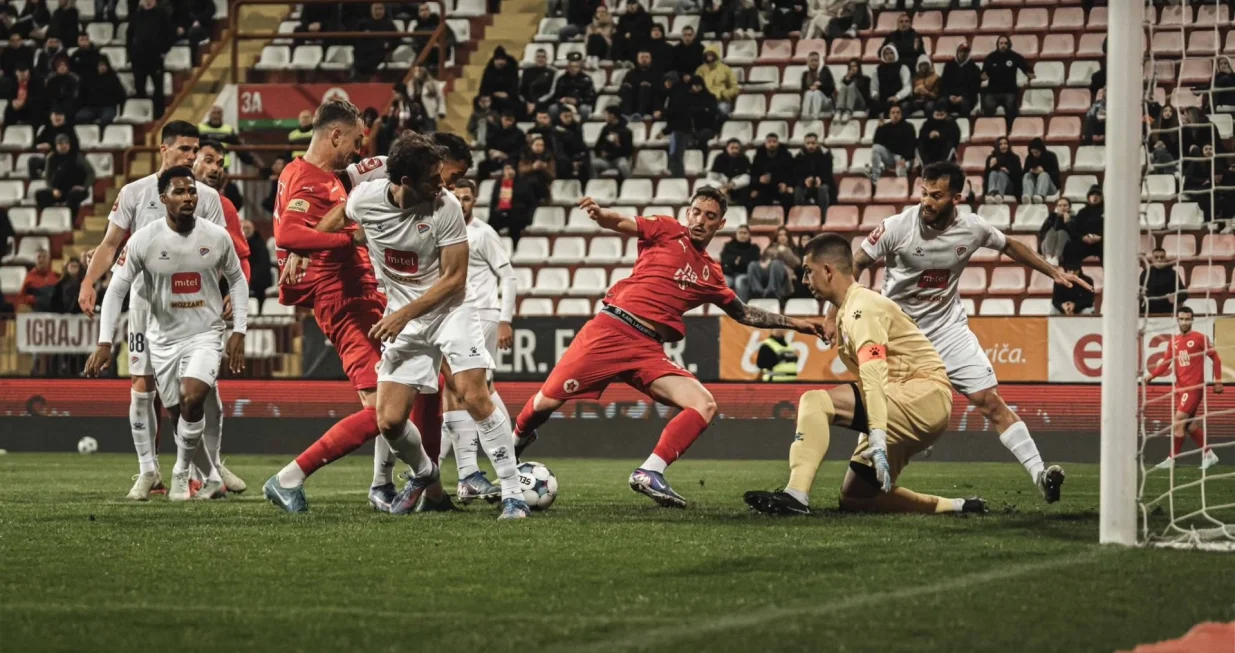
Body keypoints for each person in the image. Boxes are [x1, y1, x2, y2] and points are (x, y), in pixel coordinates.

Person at [513, 189, 824, 507]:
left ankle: (650, 471)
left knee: (704, 404)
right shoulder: (667, 229)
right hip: (610, 331)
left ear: (720, 224)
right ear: (688, 213)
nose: (700, 220)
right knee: (545, 403)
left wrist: (795, 324)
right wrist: (601, 214)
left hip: (648, 349)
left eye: (710, 216)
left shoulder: (711, 273)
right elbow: (622, 222)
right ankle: (510, 451)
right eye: (696, 212)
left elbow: (743, 313)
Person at [839, 161, 1078, 503]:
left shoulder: (972, 228)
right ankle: (870, 475)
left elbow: (1010, 245)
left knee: (990, 402)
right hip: (901, 338)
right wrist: (837, 312)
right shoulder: (896, 227)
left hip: (947, 331)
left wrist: (1052, 271)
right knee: (883, 410)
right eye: (924, 193)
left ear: (956, 198)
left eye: (936, 196)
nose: (927, 202)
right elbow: (857, 262)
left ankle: (1040, 474)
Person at [347, 133, 529, 519]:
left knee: (473, 394)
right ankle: (426, 473)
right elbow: (341, 217)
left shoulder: (445, 206)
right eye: (433, 178)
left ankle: (513, 495)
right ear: (406, 182)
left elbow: (455, 280)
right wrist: (298, 251)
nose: (442, 184)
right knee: (389, 420)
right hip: (406, 319)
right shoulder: (363, 200)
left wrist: (403, 314)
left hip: (451, 312)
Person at [744, 234, 988, 516]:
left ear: (827, 271)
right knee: (857, 498)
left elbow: (874, 373)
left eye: (808, 271)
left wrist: (878, 436)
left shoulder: (861, 308)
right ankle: (958, 506)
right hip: (912, 400)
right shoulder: (851, 309)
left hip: (920, 396)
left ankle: (795, 495)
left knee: (815, 401)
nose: (804, 280)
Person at [77, 121, 234, 501]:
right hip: (145, 304)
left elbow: (219, 252)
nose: (192, 156)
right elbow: (110, 243)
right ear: (164, 149)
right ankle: (149, 470)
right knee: (141, 385)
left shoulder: (207, 197)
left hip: (192, 308)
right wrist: (89, 281)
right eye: (185, 149)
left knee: (197, 391)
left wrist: (224, 291)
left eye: (195, 150)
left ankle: (207, 467)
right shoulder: (135, 192)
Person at [260, 100, 386, 514]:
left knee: (414, 390)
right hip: (345, 299)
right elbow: (289, 234)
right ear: (335, 135)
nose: (358, 150)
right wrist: (349, 239)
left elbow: (305, 229)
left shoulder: (312, 174)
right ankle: (289, 477)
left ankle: (395, 483)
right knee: (384, 408)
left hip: (356, 294)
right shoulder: (309, 180)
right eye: (355, 141)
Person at [377, 179, 519, 505]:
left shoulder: (482, 233)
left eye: (467, 198)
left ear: (475, 201)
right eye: (458, 197)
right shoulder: (431, 224)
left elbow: (508, 276)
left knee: (475, 390)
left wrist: (505, 318)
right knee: (450, 391)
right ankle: (458, 471)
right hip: (435, 314)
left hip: (477, 314)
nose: (462, 203)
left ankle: (496, 462)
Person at [1144, 306, 1223, 471]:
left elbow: (1216, 358)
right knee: (1189, 425)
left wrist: (1218, 380)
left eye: (1187, 319)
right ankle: (1209, 454)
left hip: (1194, 388)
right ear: (1177, 320)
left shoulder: (1200, 338)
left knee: (1178, 420)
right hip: (1180, 389)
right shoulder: (1174, 341)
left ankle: (1172, 459)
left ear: (1192, 320)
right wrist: (1151, 376)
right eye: (1182, 319)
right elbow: (1165, 363)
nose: (1184, 322)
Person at [193, 140, 253, 283]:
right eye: (208, 161)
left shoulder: (225, 206)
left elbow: (241, 258)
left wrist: (237, 292)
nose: (215, 168)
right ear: (191, 162)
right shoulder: (165, 200)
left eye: (220, 164)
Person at [127, 0, 172, 118]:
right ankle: (141, 114)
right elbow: (129, 35)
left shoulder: (162, 14)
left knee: (158, 87)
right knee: (139, 86)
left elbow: (169, 34)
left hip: (155, 57)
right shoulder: (137, 14)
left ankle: (159, 115)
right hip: (138, 58)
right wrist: (131, 54)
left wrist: (163, 51)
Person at [981, 35, 1034, 131]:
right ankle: (990, 130)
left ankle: (1010, 130)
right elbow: (984, 73)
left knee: (1011, 107)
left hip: (1009, 92)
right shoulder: (990, 57)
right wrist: (983, 76)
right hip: (993, 92)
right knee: (988, 106)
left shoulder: (1014, 56)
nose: (1003, 45)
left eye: (1005, 43)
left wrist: (1029, 73)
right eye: (1001, 43)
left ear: (1009, 45)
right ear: (997, 45)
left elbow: (1025, 67)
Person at [35, 133, 94, 218]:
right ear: (56, 146)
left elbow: (91, 173)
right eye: (61, 144)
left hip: (76, 190)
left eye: (66, 143)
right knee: (40, 195)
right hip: (59, 192)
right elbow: (47, 178)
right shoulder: (51, 158)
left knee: (73, 196)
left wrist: (84, 186)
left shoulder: (77, 156)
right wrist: (53, 190)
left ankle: (70, 221)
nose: (64, 146)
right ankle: (50, 218)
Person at [869, 104, 915, 182]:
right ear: (889, 115)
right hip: (890, 156)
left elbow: (912, 145)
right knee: (876, 148)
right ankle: (875, 177)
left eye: (898, 112)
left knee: (900, 168)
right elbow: (876, 143)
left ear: (901, 114)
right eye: (893, 113)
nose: (895, 115)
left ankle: (903, 184)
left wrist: (905, 158)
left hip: (903, 158)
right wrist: (879, 128)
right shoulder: (886, 127)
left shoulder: (908, 127)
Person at [750, 132, 794, 207]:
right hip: (764, 187)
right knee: (756, 197)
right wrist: (758, 180)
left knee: (789, 196)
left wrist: (787, 184)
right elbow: (753, 174)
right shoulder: (758, 156)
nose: (772, 144)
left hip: (781, 186)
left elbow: (791, 173)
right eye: (769, 142)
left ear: (778, 143)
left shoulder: (786, 155)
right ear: (765, 143)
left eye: (774, 142)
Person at [549, 52, 596, 122]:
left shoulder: (586, 79)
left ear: (580, 67)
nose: (573, 69)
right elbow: (556, 95)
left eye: (576, 67)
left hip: (579, 105)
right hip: (564, 104)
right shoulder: (562, 79)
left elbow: (591, 97)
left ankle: (580, 126)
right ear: (567, 67)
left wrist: (577, 101)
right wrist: (561, 100)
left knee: (584, 109)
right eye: (571, 66)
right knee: (553, 108)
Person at [1140, 247, 1187, 316]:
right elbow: (1139, 291)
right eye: (1156, 257)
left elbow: (1184, 294)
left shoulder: (1173, 274)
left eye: (1162, 257)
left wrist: (1175, 298)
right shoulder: (1145, 273)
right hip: (1148, 312)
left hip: (1167, 312)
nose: (1159, 259)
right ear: (1152, 259)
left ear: (1165, 259)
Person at [353, 1, 397, 76]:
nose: (378, 11)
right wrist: (363, 36)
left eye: (381, 9)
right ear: (371, 10)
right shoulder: (363, 23)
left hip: (381, 52)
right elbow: (355, 39)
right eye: (376, 9)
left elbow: (396, 40)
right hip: (364, 53)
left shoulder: (389, 24)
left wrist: (389, 44)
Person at [694, 45, 739, 118]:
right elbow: (695, 85)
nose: (709, 56)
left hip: (720, 100)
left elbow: (735, 87)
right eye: (707, 54)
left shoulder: (726, 69)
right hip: (704, 101)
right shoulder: (700, 70)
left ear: (716, 55)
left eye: (711, 54)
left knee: (722, 111)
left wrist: (724, 94)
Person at [939, 41, 981, 117]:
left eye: (966, 52)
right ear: (957, 52)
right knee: (942, 102)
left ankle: (965, 123)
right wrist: (949, 96)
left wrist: (962, 97)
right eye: (961, 51)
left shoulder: (974, 68)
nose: (963, 54)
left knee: (965, 105)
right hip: (950, 97)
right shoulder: (949, 66)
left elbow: (974, 88)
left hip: (966, 98)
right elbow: (943, 85)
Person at [793, 133, 834, 209]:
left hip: (822, 184)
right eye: (808, 143)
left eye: (813, 143)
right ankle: (799, 214)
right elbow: (797, 175)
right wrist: (804, 181)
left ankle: (823, 215)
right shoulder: (799, 156)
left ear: (817, 144)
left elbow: (828, 173)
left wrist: (821, 179)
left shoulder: (826, 155)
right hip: (805, 185)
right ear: (804, 144)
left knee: (823, 189)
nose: (810, 146)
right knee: (798, 190)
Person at [707, 138, 751, 208]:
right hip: (721, 187)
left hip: (737, 188)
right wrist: (720, 187)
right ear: (727, 148)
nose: (734, 150)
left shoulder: (744, 159)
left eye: (737, 148)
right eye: (732, 148)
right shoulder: (719, 158)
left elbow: (746, 178)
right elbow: (711, 177)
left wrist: (732, 184)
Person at [592, 106, 633, 180]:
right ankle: (593, 184)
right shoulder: (606, 129)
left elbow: (628, 151)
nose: (604, 117)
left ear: (612, 115)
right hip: (606, 160)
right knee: (592, 163)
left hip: (619, 159)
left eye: (606, 114)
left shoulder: (626, 131)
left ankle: (629, 184)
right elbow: (597, 146)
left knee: (623, 165)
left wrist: (617, 144)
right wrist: (601, 152)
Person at [720, 224, 759, 302]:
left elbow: (753, 264)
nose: (742, 235)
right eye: (740, 233)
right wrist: (735, 260)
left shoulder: (754, 248)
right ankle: (723, 307)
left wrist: (737, 261)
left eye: (745, 233)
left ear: (749, 235)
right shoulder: (728, 246)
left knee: (740, 281)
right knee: (724, 282)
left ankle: (741, 306)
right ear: (736, 234)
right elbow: (724, 260)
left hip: (745, 274)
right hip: (729, 274)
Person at [870, 44, 910, 118]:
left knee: (904, 106)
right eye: (886, 54)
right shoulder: (877, 70)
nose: (889, 56)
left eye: (891, 53)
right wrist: (876, 95)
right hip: (884, 99)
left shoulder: (903, 68)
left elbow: (907, 87)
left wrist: (897, 97)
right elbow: (874, 88)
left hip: (899, 99)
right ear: (883, 55)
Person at [620, 51, 662, 120]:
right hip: (633, 103)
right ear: (637, 59)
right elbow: (620, 91)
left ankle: (640, 114)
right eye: (642, 57)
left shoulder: (657, 74)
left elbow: (660, 92)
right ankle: (626, 114)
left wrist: (649, 87)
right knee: (625, 87)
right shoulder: (631, 73)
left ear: (651, 59)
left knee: (645, 87)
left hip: (650, 103)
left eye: (647, 57)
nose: (644, 59)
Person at [1068, 185, 1104, 263]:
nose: (1094, 197)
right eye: (1092, 194)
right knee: (1071, 248)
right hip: (1084, 241)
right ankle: (1074, 271)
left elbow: (1113, 231)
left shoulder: (1107, 211)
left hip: (1102, 242)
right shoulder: (1082, 212)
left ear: (1102, 197)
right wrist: (1082, 237)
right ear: (1088, 197)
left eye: (1097, 195)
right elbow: (1075, 229)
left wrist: (1101, 237)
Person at [983, 136, 1021, 204]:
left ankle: (999, 195)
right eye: (1000, 144)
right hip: (994, 185)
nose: (1003, 146)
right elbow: (986, 177)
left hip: (1009, 187)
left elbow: (1018, 177)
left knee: (1002, 174)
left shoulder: (1014, 158)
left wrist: (1008, 172)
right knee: (993, 173)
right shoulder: (991, 158)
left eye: (1005, 144)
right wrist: (990, 167)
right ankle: (991, 194)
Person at [1020, 137, 1060, 204]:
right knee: (1027, 175)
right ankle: (1027, 196)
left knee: (1043, 174)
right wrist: (1031, 171)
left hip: (1050, 187)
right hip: (1034, 187)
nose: (1034, 154)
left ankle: (1040, 196)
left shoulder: (1051, 156)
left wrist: (1044, 170)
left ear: (1041, 150)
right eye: (1032, 153)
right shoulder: (1029, 158)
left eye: (1036, 152)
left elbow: (1056, 175)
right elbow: (1023, 174)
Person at [519, 49, 556, 119]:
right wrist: (527, 103)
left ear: (546, 59)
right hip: (527, 103)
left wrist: (536, 103)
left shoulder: (552, 72)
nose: (540, 59)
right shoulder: (527, 71)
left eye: (543, 57)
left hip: (543, 102)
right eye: (538, 57)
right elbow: (521, 91)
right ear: (535, 58)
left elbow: (551, 92)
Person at [1037, 197, 1073, 265]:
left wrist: (1068, 223)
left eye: (1065, 205)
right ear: (1057, 207)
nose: (1062, 207)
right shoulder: (1052, 217)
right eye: (1060, 205)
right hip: (1047, 246)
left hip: (1064, 248)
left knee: (1062, 232)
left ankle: (1056, 258)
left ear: (1069, 207)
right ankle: (1049, 257)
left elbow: (1074, 236)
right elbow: (1042, 234)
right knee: (1051, 231)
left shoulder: (1074, 218)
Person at [799, 51, 835, 119]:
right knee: (808, 93)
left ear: (819, 62)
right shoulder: (805, 74)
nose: (813, 63)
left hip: (826, 102)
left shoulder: (825, 70)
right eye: (811, 61)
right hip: (812, 100)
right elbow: (803, 90)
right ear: (808, 62)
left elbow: (831, 89)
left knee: (816, 92)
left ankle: (815, 115)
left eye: (816, 60)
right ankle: (805, 114)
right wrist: (810, 88)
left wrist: (820, 85)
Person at [243, 219, 272, 300]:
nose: (246, 230)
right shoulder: (235, 243)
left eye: (248, 228)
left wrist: (251, 283)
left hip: (257, 285)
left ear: (253, 229)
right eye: (243, 228)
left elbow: (262, 266)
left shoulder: (259, 245)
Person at [834, 58, 869, 123]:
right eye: (851, 66)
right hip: (847, 103)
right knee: (844, 86)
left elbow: (867, 96)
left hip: (860, 104)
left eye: (855, 66)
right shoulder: (845, 79)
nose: (852, 68)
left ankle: (848, 112)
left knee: (851, 86)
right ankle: (838, 111)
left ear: (859, 67)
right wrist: (847, 79)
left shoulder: (866, 79)